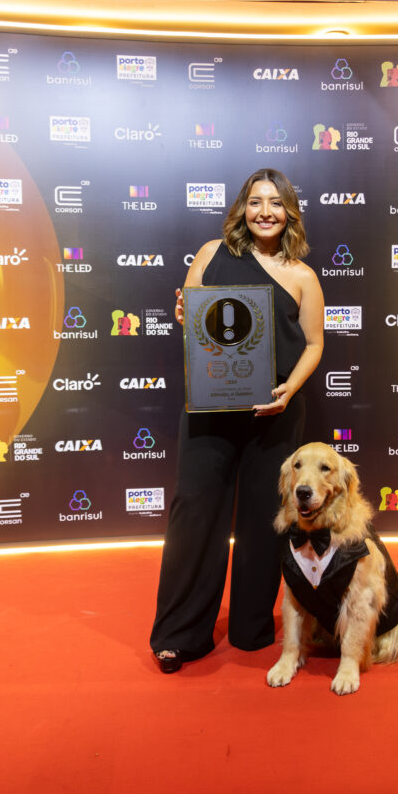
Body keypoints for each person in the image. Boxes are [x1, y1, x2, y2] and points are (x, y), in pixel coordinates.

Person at [150, 168, 324, 673]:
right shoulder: (211, 254)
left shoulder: (302, 276)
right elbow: (191, 319)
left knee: (261, 525)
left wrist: (290, 389)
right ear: (242, 209)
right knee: (195, 518)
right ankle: (180, 635)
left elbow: (314, 344)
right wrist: (184, 312)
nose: (264, 211)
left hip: (273, 417)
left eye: (275, 202)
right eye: (255, 202)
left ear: (290, 211)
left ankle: (252, 628)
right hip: (209, 412)